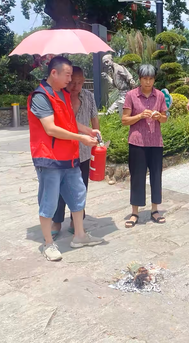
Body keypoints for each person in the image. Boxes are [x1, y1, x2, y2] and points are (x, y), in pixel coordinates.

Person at [28, 56, 104, 261]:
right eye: (68, 75)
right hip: (49, 159)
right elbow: (51, 128)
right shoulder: (41, 96)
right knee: (49, 201)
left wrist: (87, 130)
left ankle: (79, 235)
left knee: (78, 195)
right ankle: (48, 244)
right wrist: (80, 137)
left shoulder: (62, 94)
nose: (71, 80)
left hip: (69, 157)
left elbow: (69, 121)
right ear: (54, 73)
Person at [51, 67, 99, 236]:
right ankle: (56, 221)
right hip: (63, 151)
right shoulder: (59, 97)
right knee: (60, 187)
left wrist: (97, 138)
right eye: (73, 82)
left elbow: (94, 118)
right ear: (67, 79)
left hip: (84, 151)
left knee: (81, 187)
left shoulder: (88, 96)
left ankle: (75, 221)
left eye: (79, 82)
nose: (76, 86)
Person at [122, 65, 168, 228]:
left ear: (154, 79)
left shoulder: (160, 96)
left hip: (155, 142)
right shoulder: (131, 95)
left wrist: (158, 116)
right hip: (137, 142)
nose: (148, 82)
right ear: (140, 79)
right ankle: (135, 212)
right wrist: (140, 116)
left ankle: (155, 209)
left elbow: (165, 118)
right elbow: (124, 120)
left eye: (151, 79)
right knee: (137, 176)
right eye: (145, 79)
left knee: (156, 175)